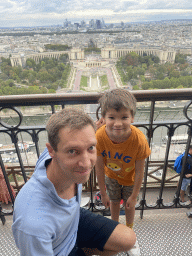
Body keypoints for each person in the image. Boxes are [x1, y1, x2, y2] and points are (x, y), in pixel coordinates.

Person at [12, 108, 136, 256]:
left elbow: (81, 137)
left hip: (72, 219)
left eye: (90, 148)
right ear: (52, 150)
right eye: (73, 151)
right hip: (57, 249)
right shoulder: (33, 226)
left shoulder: (57, 152)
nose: (86, 163)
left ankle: (82, 250)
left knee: (128, 239)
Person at [95, 89, 151, 256]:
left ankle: (130, 236)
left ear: (132, 118)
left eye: (124, 117)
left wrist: (134, 196)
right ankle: (115, 234)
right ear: (103, 118)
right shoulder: (100, 137)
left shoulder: (139, 139)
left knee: (129, 206)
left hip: (131, 179)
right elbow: (98, 167)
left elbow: (140, 171)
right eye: (112, 117)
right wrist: (102, 193)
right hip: (111, 176)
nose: (117, 123)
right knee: (113, 203)